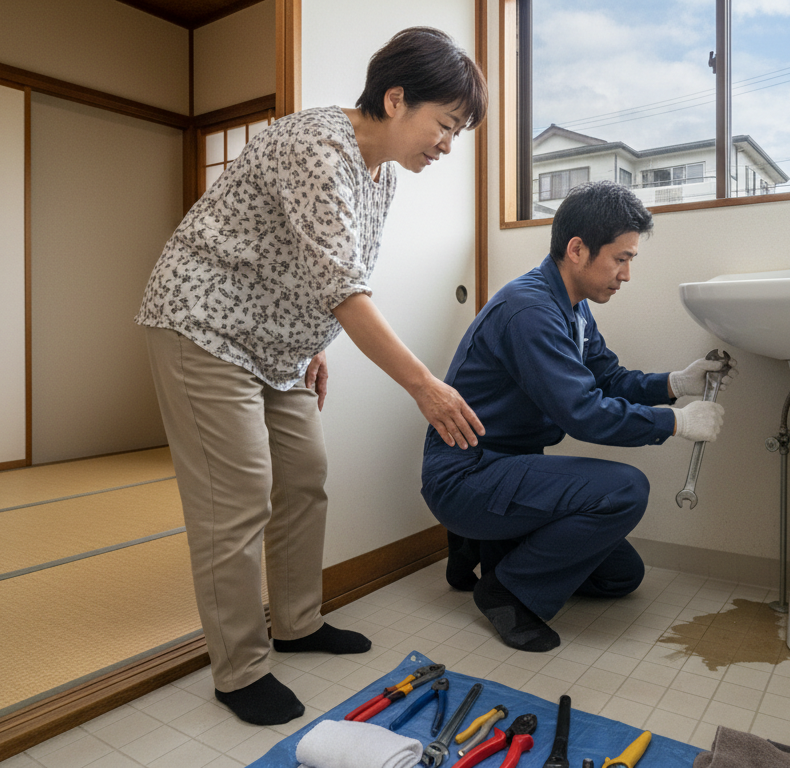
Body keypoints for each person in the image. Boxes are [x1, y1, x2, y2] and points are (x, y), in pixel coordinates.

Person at [135, 27, 487, 726]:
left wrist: (314, 341)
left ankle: (295, 623)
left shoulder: (382, 172)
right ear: (395, 99)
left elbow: (325, 270)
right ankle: (239, 670)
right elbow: (343, 286)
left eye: (457, 132)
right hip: (203, 323)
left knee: (303, 477)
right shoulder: (316, 144)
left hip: (280, 345)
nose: (448, 145)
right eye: (444, 125)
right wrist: (425, 385)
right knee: (234, 500)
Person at [421, 181, 735, 653]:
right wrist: (677, 423)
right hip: (469, 474)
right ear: (577, 249)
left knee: (621, 577)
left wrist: (675, 383)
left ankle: (479, 547)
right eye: (621, 258)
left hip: (506, 469)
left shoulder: (574, 307)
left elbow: (606, 377)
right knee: (626, 489)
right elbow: (584, 413)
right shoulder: (529, 310)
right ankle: (504, 591)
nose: (626, 274)